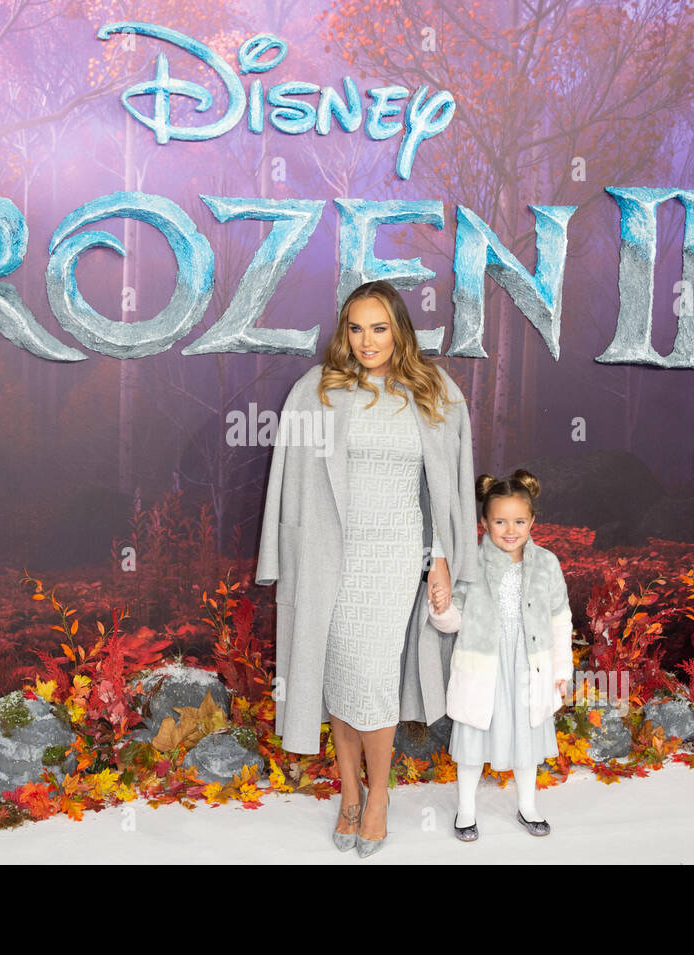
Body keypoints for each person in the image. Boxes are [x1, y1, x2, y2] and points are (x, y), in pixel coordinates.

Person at [255, 280, 479, 857]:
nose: (366, 341)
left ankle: (378, 797)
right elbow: (288, 484)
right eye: (355, 328)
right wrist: (281, 559)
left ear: (400, 329)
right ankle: (349, 794)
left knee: (375, 678)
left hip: (397, 554)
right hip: (332, 556)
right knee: (340, 679)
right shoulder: (318, 390)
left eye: (379, 328)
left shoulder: (435, 391)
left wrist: (442, 559)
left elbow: (450, 490)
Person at [426, 468, 572, 841]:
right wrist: (440, 609)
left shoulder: (546, 565)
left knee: (527, 735)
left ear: (532, 521)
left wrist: (561, 669)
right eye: (500, 521)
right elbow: (454, 620)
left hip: (528, 665)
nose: (510, 530)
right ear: (484, 522)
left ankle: (528, 805)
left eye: (519, 521)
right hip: (484, 666)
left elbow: (559, 620)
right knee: (474, 736)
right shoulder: (470, 566)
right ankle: (466, 809)